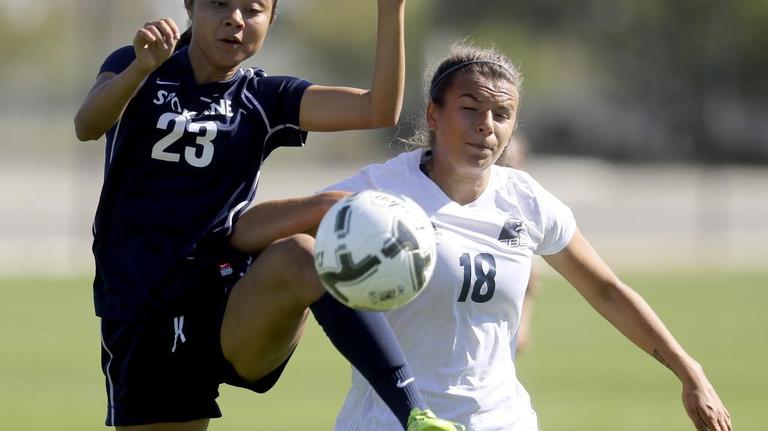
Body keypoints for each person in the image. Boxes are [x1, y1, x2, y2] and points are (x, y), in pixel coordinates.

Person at [234, 43, 733, 431]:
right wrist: (327, 207)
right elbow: (247, 229)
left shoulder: (527, 200)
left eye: (501, 115)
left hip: (503, 419)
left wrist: (690, 372)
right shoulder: (384, 190)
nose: (486, 127)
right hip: (390, 420)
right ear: (434, 115)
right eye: (470, 109)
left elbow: (607, 291)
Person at [74, 1, 463, 430]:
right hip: (140, 305)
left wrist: (391, 11)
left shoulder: (266, 97)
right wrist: (140, 70)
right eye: (219, 4)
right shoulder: (139, 62)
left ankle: (413, 413)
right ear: (189, 5)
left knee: (302, 253)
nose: (235, 19)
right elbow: (87, 125)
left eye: (253, 9)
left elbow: (378, 109)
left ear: (271, 20)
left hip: (227, 299)